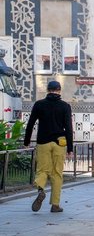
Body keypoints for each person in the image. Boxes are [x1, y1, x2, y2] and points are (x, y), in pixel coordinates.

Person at [23, 80, 74, 213]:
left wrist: (26, 141)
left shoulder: (39, 105)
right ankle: (55, 205)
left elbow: (30, 124)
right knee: (57, 174)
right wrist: (70, 148)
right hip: (59, 143)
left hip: (43, 142)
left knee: (42, 170)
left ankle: (41, 189)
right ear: (59, 90)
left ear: (47, 90)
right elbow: (68, 128)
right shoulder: (65, 106)